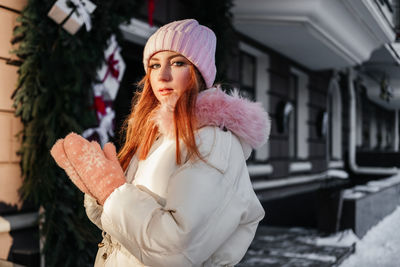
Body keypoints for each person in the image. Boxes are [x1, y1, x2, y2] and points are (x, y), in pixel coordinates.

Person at [50, 19, 270, 267]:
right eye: (154, 65)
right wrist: (100, 195)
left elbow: (175, 251)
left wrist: (111, 190)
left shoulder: (213, 141)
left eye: (177, 63)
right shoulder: (156, 137)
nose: (163, 76)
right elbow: (131, 235)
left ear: (199, 72)